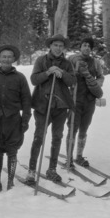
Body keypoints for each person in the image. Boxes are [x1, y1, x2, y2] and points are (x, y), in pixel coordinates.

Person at [0, 44, 32, 191]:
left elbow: (27, 100)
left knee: (12, 150)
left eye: (9, 57)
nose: (7, 59)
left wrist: (25, 120)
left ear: (14, 59)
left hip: (13, 120)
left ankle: (10, 181)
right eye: (4, 57)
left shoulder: (20, 78)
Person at [26, 34, 76, 183]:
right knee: (39, 137)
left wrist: (63, 74)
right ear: (50, 46)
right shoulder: (41, 61)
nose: (58, 48)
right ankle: (31, 170)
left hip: (60, 106)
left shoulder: (67, 63)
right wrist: (48, 72)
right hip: (43, 105)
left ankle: (52, 169)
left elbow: (72, 81)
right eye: (56, 45)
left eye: (61, 46)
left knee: (57, 137)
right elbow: (34, 80)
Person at [65, 37, 104, 167]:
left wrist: (96, 86)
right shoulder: (72, 59)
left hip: (89, 100)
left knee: (84, 129)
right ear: (80, 47)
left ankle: (79, 156)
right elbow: (65, 74)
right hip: (75, 99)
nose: (87, 48)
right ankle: (69, 158)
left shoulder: (95, 62)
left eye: (89, 46)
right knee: (72, 128)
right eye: (85, 45)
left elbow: (100, 76)